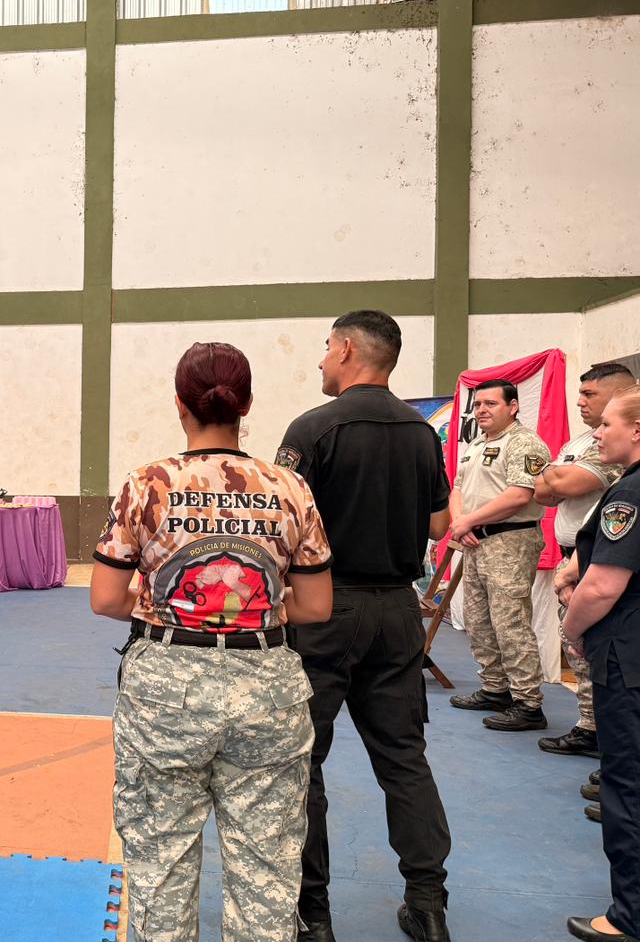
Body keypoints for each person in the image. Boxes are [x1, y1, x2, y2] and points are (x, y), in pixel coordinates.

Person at [90, 341, 333, 942]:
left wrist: (164, 609)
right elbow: (316, 605)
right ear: (245, 404)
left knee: (159, 861)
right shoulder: (289, 486)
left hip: (166, 689)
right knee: (267, 869)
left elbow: (105, 598)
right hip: (266, 689)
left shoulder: (147, 483)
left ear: (180, 404)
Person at [276, 310, 453, 942]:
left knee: (303, 762)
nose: (322, 360)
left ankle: (313, 914)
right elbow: (438, 525)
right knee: (405, 758)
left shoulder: (313, 429)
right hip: (398, 612)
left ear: (347, 349)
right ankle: (429, 905)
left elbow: (282, 527)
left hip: (326, 610)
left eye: (326, 348)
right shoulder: (422, 433)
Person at [557, 385, 640, 942]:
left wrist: (570, 631)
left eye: (607, 422)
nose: (597, 432)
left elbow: (603, 587)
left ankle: (628, 915)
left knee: (628, 783)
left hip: (627, 659)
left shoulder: (628, 496)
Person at [536, 364, 636, 758]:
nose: (580, 403)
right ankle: (593, 730)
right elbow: (543, 492)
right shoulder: (584, 441)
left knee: (610, 672)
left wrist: (574, 628)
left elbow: (561, 484)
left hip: (604, 563)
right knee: (592, 672)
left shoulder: (621, 463)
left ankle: (614, 754)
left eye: (591, 395)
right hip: (579, 559)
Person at [448, 379, 552, 730]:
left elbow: (520, 495)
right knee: (478, 621)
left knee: (511, 623)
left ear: (513, 406)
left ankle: (528, 703)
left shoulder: (525, 443)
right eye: (478, 405)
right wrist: (461, 522)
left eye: (491, 404)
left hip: (511, 541)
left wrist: (467, 523)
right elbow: (457, 488)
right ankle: (495, 688)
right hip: (476, 540)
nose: (482, 411)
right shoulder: (476, 444)